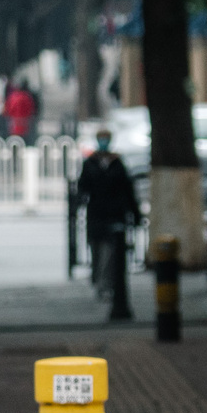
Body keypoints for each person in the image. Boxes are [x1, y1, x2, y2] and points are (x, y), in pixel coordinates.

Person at [74, 126, 138, 298]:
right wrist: (77, 206)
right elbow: (82, 188)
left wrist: (134, 213)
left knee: (110, 251)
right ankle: (98, 280)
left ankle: (106, 283)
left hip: (114, 213)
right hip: (96, 213)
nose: (103, 142)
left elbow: (127, 189)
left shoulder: (117, 163)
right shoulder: (90, 163)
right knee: (96, 250)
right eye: (101, 138)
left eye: (106, 138)